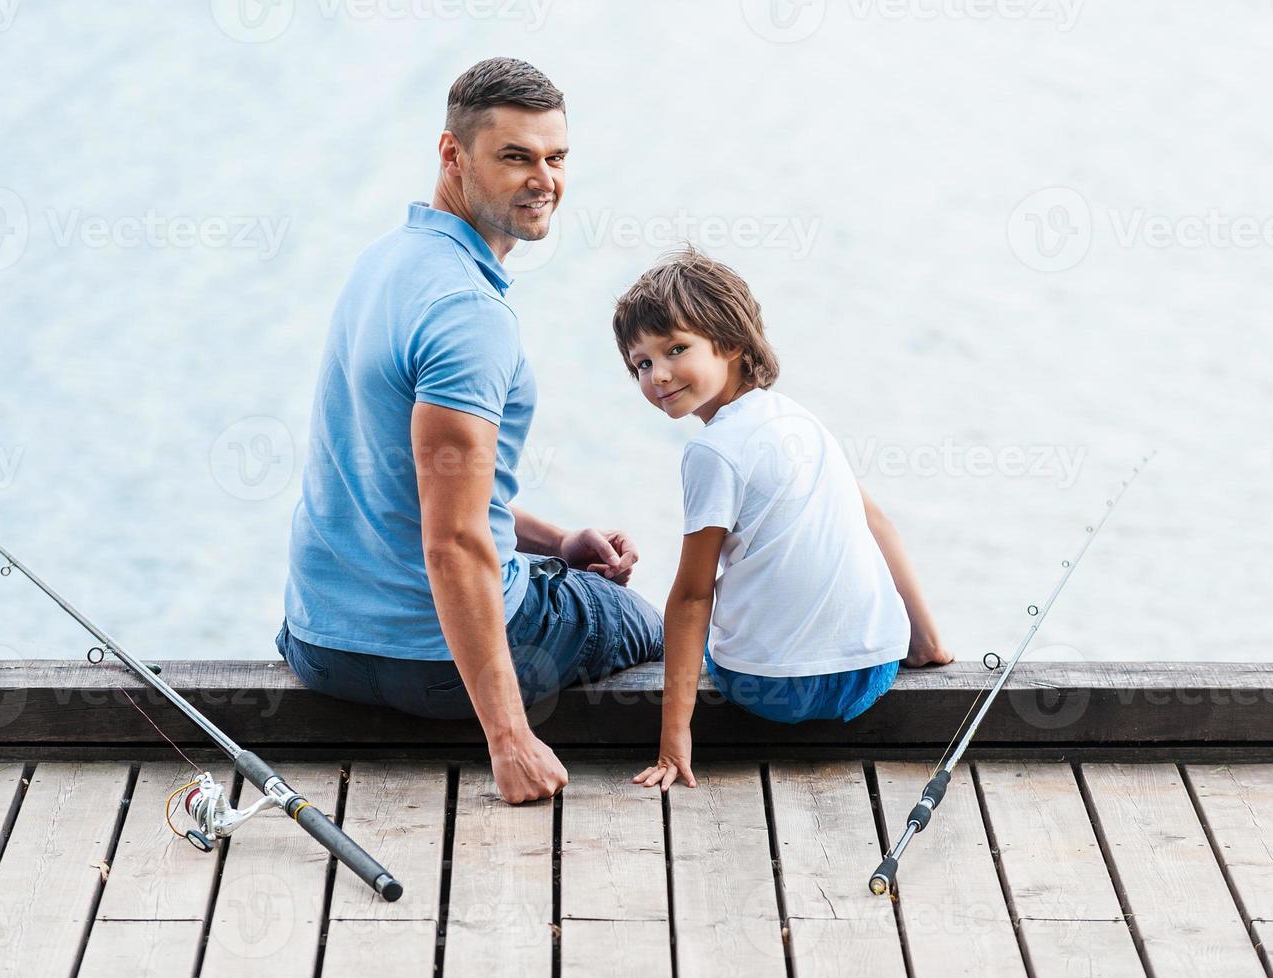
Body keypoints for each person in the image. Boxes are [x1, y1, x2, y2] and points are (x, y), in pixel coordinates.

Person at [277, 58, 664, 805]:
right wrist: (509, 737)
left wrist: (556, 545)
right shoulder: (468, 315)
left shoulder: (380, 266)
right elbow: (451, 541)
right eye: (515, 157)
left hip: (319, 646)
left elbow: (404, 483)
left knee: (555, 574)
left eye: (555, 158)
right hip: (429, 664)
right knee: (643, 620)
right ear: (452, 155)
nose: (543, 179)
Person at [614, 248, 954, 793]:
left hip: (771, 689)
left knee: (676, 624)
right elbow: (879, 523)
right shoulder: (801, 419)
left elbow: (693, 596)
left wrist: (672, 738)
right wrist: (926, 642)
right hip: (872, 672)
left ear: (730, 343)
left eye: (676, 349)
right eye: (642, 364)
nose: (659, 374)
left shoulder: (712, 452)